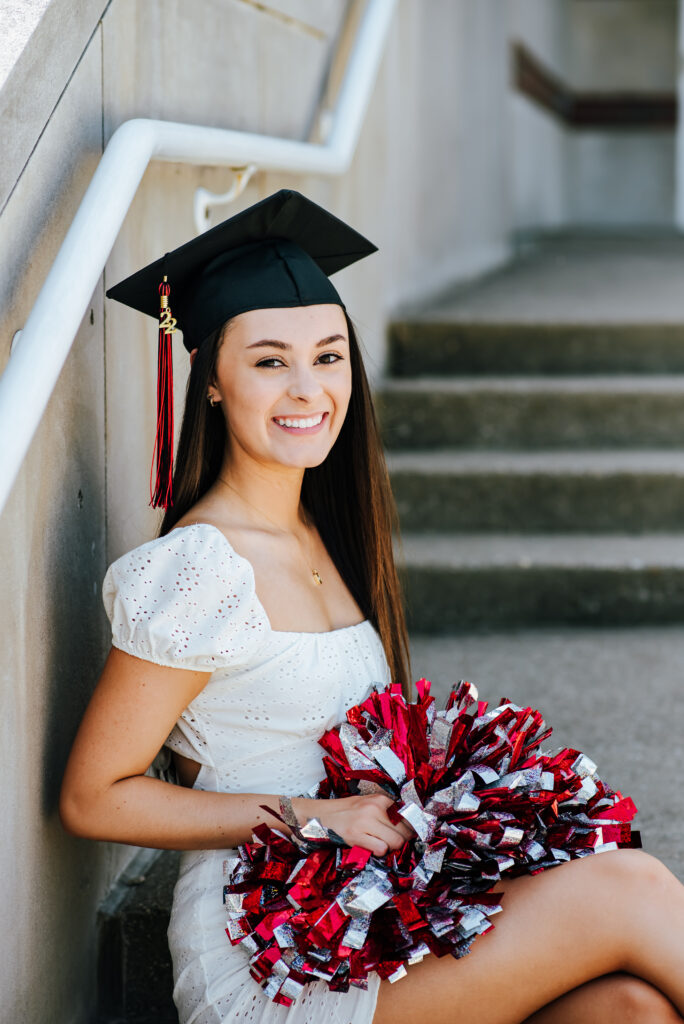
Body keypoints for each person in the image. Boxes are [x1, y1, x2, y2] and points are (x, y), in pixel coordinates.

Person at [60, 189, 684, 1024]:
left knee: (630, 1010)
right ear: (210, 380)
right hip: (269, 950)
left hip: (368, 915)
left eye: (329, 356)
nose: (308, 387)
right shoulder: (198, 568)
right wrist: (312, 816)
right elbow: (94, 795)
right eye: (270, 360)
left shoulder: (332, 537)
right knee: (629, 886)